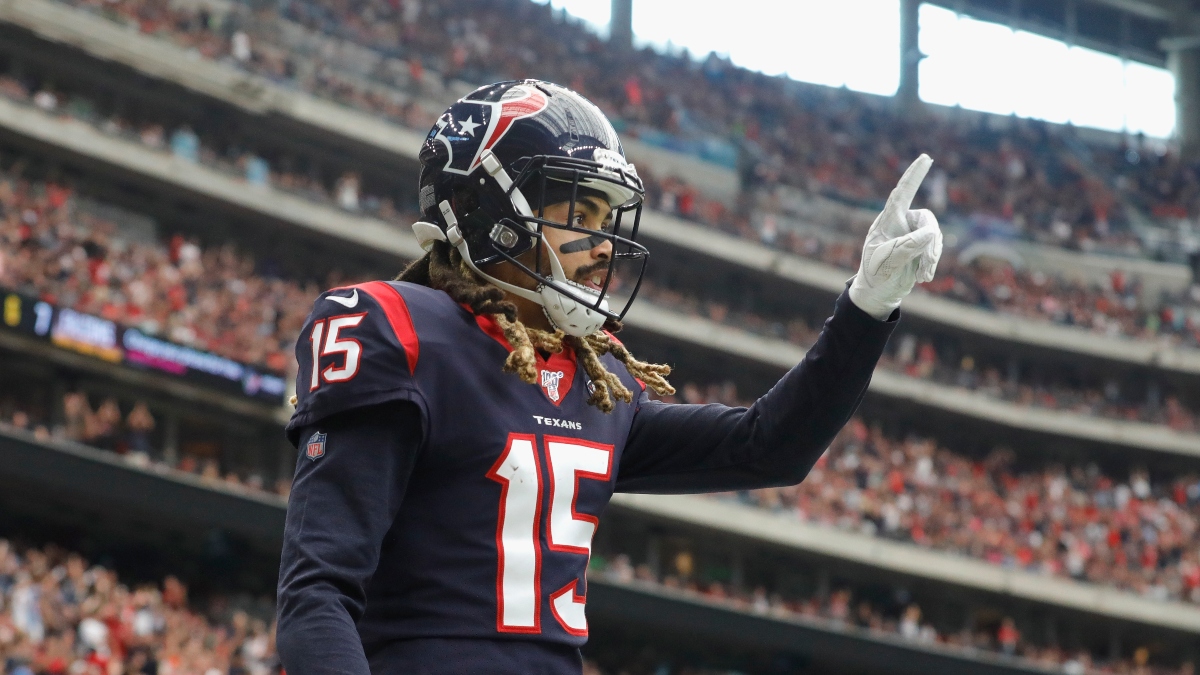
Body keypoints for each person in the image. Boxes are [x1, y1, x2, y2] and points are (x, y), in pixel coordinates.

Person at [276, 80, 942, 675]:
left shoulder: (593, 380)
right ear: (487, 211)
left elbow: (771, 444)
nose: (600, 243)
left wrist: (866, 306)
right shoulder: (400, 329)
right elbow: (316, 593)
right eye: (577, 213)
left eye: (604, 219)